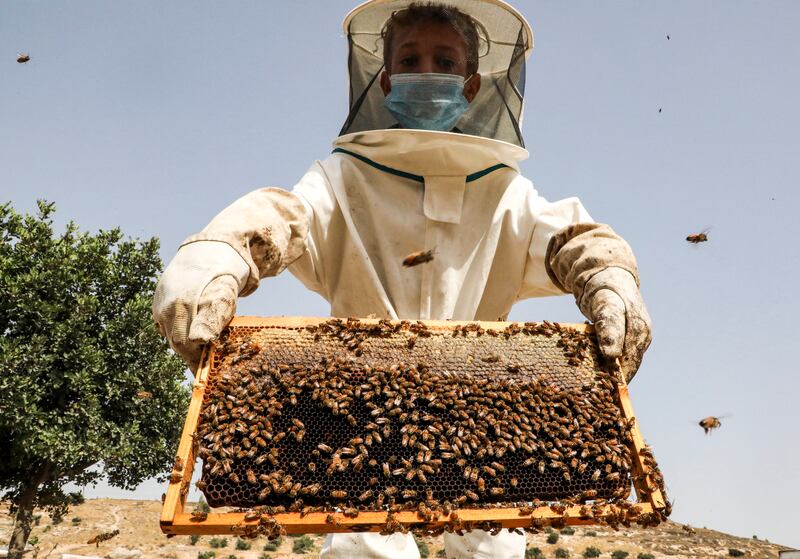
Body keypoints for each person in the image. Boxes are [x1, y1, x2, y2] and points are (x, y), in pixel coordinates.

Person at [153, 2, 652, 558]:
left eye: (445, 60)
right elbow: (286, 218)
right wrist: (220, 250)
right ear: (385, 79)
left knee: (493, 551)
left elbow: (569, 238)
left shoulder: (509, 191)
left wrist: (607, 272)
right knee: (361, 550)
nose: (427, 72)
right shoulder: (342, 177)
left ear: (470, 84)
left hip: (484, 420)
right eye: (411, 60)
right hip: (351, 419)